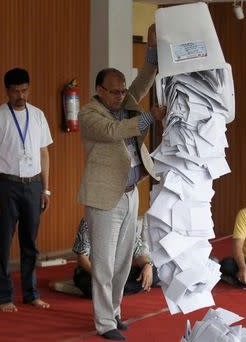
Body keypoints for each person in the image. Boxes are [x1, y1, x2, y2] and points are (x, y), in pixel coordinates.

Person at [78, 24, 166, 341]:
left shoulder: (125, 102)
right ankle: (104, 323)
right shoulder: (89, 114)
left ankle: (114, 312)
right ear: (99, 90)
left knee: (124, 260)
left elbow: (143, 82)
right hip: (103, 198)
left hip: (130, 193)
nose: (120, 95)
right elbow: (115, 132)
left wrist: (152, 51)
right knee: (103, 263)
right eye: (114, 91)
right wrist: (148, 117)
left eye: (122, 90)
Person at [0, 68, 53, 312]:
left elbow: (44, 153)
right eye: (15, 91)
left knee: (30, 243)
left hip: (33, 186)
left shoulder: (39, 116)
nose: (20, 95)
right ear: (7, 91)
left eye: (24, 90)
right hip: (7, 186)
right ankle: (4, 296)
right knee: (3, 243)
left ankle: (31, 293)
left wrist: (46, 189)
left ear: (29, 88)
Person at [72, 218, 160, 298]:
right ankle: (121, 289)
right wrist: (101, 276)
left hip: (119, 272)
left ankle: (114, 289)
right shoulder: (90, 219)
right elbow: (82, 259)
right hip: (93, 273)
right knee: (91, 288)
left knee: (155, 273)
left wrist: (147, 265)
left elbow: (138, 252)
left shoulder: (128, 222)